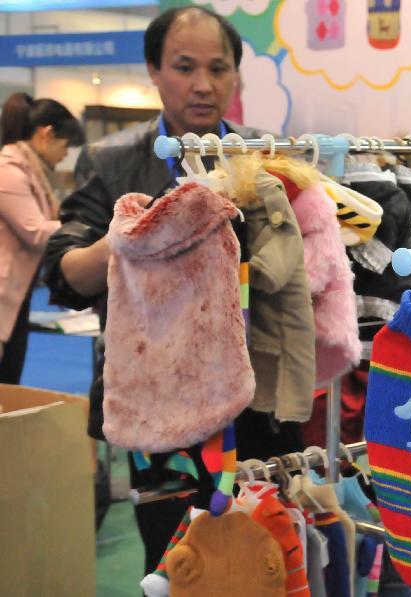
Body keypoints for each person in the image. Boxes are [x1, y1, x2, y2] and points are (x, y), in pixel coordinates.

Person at [42, 6, 303, 579]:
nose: (204, 84)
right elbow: (64, 273)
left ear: (237, 75)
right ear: (154, 71)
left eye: (219, 68)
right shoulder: (113, 163)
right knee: (175, 565)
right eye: (185, 67)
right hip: (155, 410)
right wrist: (140, 236)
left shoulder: (266, 160)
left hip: (254, 402)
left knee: (262, 562)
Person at [0, 93, 84, 384]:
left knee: (9, 389)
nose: (65, 155)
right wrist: (86, 228)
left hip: (16, 297)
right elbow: (35, 231)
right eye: (65, 145)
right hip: (3, 296)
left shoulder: (33, 173)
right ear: (46, 134)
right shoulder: (8, 170)